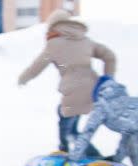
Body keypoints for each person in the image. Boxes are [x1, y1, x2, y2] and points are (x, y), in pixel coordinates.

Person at [18, 10, 115, 155]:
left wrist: (23, 78)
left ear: (52, 26)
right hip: (93, 90)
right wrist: (108, 77)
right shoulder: (85, 40)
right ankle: (81, 153)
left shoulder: (54, 43)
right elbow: (110, 56)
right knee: (70, 123)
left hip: (73, 90)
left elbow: (37, 66)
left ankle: (69, 153)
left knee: (68, 129)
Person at [69, 77, 138, 166]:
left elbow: (88, 132)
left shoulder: (102, 106)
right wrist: (117, 159)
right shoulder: (127, 102)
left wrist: (73, 157)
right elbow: (128, 135)